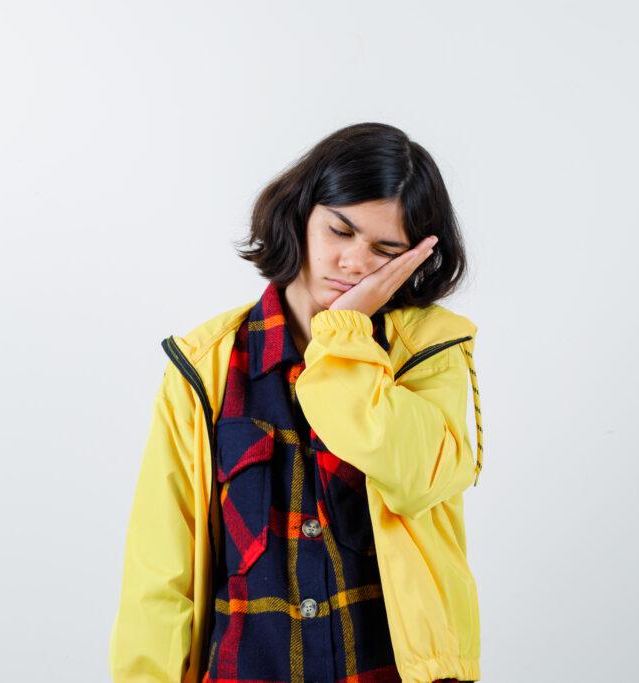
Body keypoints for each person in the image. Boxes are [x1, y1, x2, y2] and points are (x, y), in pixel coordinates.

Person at [109, 122, 485, 683]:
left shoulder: (427, 352)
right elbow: (160, 571)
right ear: (302, 215)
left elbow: (419, 477)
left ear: (414, 258)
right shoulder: (205, 365)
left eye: (386, 249)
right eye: (340, 231)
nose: (355, 262)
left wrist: (345, 335)